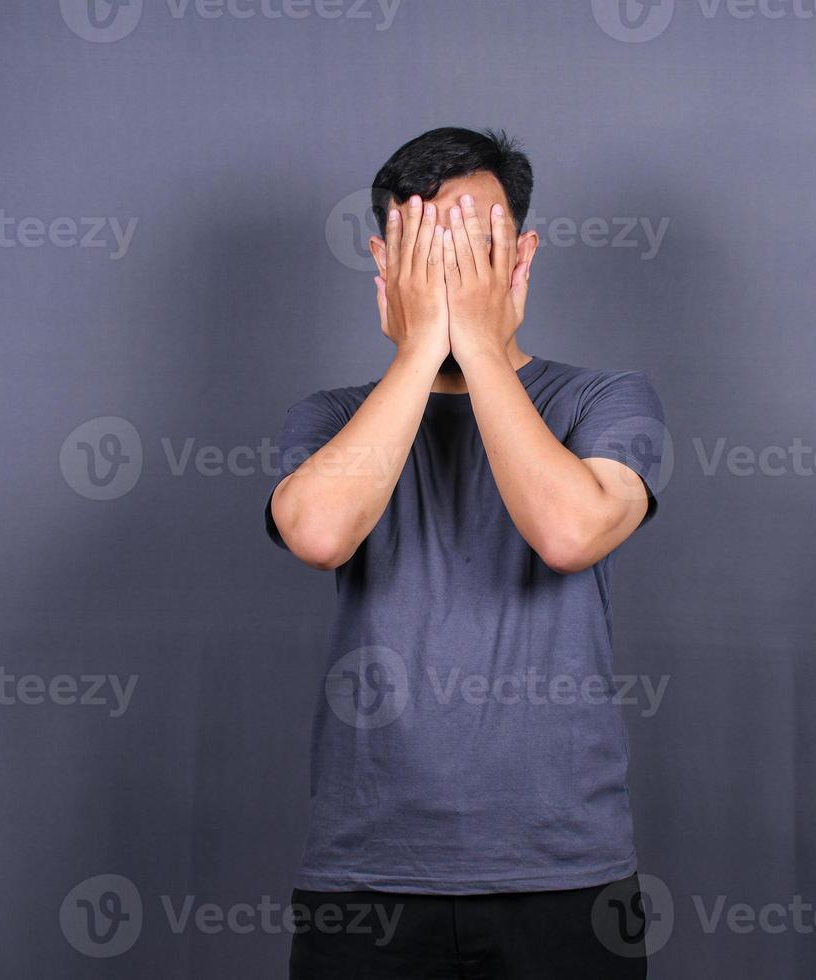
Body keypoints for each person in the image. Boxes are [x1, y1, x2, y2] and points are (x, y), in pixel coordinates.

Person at [266, 126, 666, 979]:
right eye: (429, 247)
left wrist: (480, 346)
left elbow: (568, 534)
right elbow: (319, 531)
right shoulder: (330, 417)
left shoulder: (605, 399)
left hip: (564, 875)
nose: (454, 270)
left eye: (478, 245)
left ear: (521, 257)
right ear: (385, 262)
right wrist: (420, 350)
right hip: (367, 878)